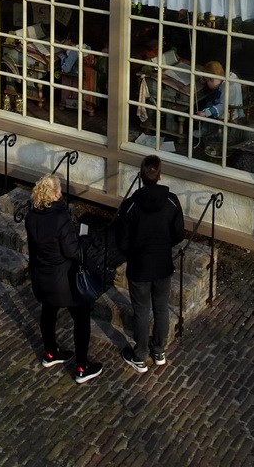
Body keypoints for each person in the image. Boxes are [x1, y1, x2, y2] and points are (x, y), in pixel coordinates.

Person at [24, 174, 103, 384]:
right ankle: (81, 366)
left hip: (43, 276)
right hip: (64, 281)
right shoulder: (60, 218)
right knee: (81, 318)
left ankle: (50, 353)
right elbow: (72, 252)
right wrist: (85, 240)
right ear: (57, 194)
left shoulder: (31, 216)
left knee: (48, 311)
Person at [115, 155, 185, 373]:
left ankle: (141, 355)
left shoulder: (129, 206)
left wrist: (134, 252)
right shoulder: (172, 201)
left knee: (142, 311)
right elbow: (179, 233)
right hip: (162, 264)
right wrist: (164, 246)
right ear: (160, 175)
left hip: (140, 266)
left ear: (141, 176)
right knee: (161, 309)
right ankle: (159, 351)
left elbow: (122, 241)